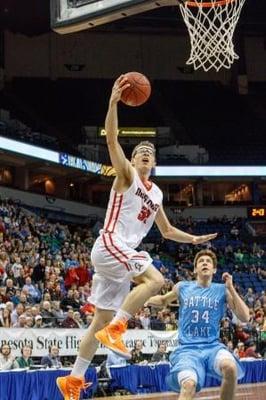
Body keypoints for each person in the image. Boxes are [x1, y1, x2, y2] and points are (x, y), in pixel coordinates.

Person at [56, 75, 217, 399]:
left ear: (154, 162)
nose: (144, 153)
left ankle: (72, 380)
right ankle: (118, 328)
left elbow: (167, 231)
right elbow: (113, 141)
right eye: (140, 150)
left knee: (98, 318)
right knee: (156, 280)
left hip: (117, 258)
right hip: (111, 244)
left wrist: (194, 240)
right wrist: (113, 103)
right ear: (133, 160)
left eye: (149, 152)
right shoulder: (127, 175)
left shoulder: (156, 193)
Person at [146, 249, 249, 400]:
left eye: (208, 261)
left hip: (212, 347)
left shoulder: (222, 290)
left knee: (230, 367)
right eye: (201, 261)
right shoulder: (182, 287)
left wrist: (231, 287)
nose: (205, 263)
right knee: (188, 385)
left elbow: (245, 316)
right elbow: (162, 301)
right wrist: (142, 298)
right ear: (195, 269)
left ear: (214, 269)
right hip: (188, 349)